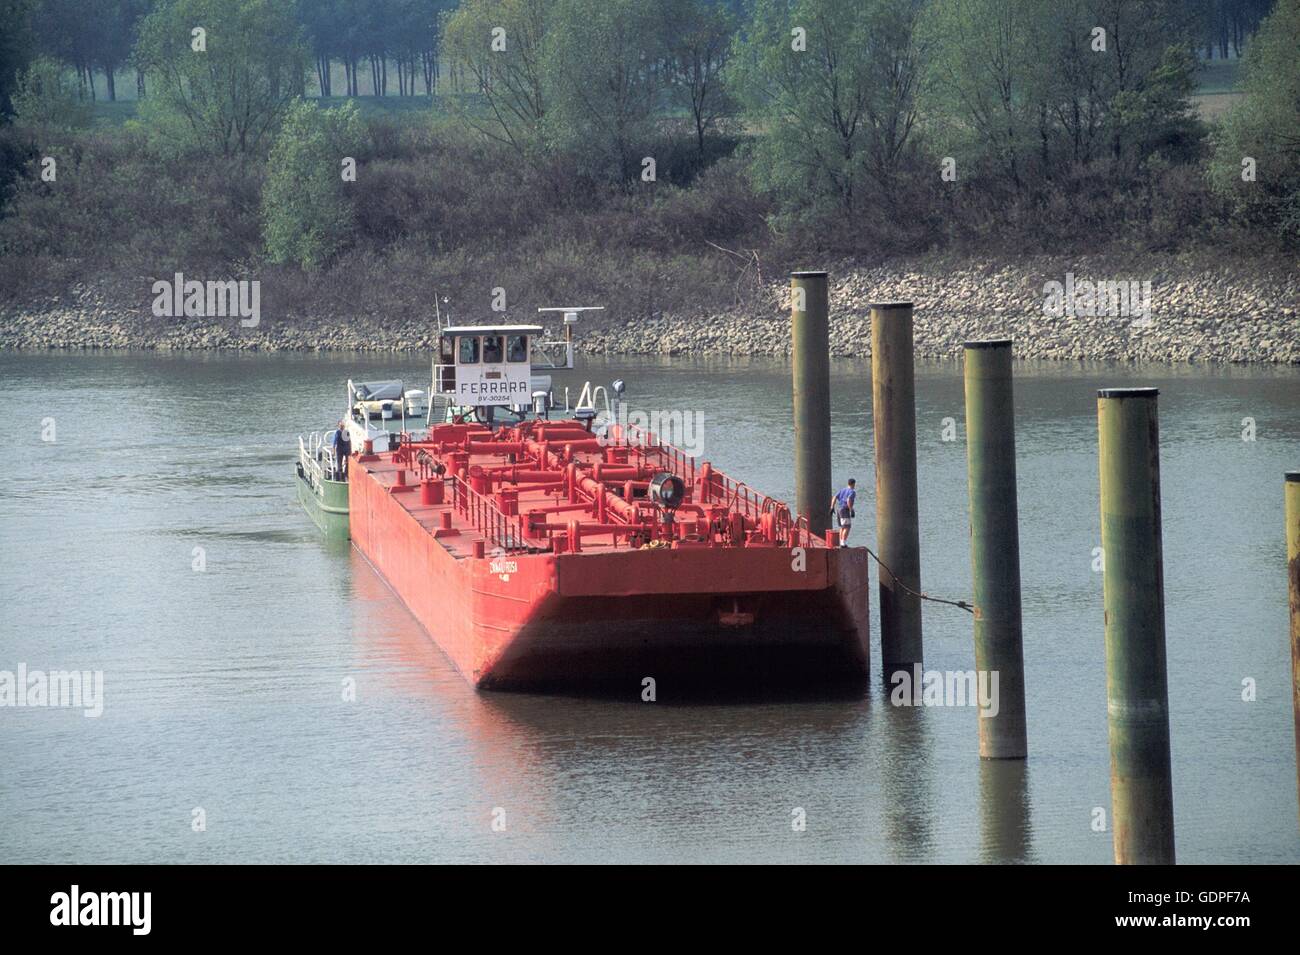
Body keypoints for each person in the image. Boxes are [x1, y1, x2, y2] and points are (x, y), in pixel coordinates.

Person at [830, 478, 856, 547]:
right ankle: (843, 543)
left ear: (848, 483)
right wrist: (851, 510)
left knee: (842, 527)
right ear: (853, 484)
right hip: (845, 510)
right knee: (847, 527)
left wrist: (832, 507)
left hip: (839, 509)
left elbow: (834, 497)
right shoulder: (852, 492)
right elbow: (848, 500)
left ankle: (841, 542)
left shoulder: (842, 490)